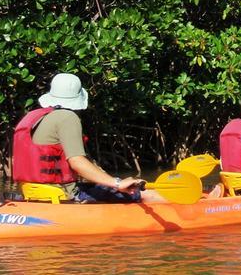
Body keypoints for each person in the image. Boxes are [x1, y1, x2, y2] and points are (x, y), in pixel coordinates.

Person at [12, 73, 163, 203]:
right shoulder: (68, 117)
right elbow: (76, 162)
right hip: (62, 194)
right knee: (149, 195)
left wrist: (107, 180)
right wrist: (117, 183)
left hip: (30, 192)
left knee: (103, 188)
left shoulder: (34, 117)